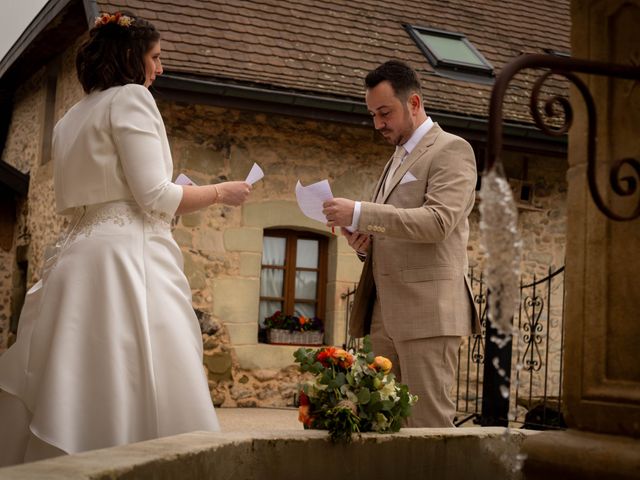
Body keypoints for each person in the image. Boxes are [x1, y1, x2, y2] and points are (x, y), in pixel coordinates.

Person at [0, 11, 251, 466]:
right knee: (142, 368)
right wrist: (220, 193)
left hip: (75, 258)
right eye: (155, 57)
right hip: (124, 259)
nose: (160, 67)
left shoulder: (69, 118)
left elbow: (88, 196)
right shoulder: (132, 98)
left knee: (79, 376)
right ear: (131, 58)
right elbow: (155, 195)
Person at [322, 60, 480, 427]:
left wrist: (361, 212)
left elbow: (438, 222)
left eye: (384, 112)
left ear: (414, 102)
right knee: (384, 426)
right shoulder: (395, 160)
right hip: (383, 315)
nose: (378, 123)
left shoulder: (452, 150)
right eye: (373, 114)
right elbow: (395, 233)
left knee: (428, 427)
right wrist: (363, 243)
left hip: (427, 315)